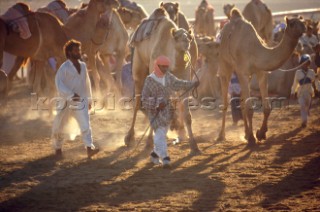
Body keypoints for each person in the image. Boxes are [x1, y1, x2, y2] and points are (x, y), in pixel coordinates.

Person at [141, 55, 199, 168]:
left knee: (162, 133)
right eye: (163, 67)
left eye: (167, 67)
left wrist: (192, 84)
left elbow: (179, 83)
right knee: (160, 134)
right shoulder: (149, 80)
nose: (165, 69)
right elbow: (144, 99)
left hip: (168, 112)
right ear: (157, 66)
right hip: (155, 113)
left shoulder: (168, 77)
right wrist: (157, 104)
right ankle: (165, 158)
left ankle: (154, 155)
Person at [52, 39, 99, 158]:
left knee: (86, 125)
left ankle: (89, 148)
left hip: (81, 101)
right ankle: (58, 148)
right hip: (65, 102)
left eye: (79, 50)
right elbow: (59, 84)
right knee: (60, 125)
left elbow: (87, 84)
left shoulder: (83, 66)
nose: (79, 52)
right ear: (69, 52)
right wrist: (71, 94)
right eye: (76, 50)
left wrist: (88, 100)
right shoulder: (64, 68)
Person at [291, 54, 317, 128]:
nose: (305, 65)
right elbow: (295, 83)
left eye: (307, 63)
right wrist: (293, 92)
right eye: (303, 63)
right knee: (302, 106)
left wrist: (318, 89)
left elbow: (316, 81)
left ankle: (306, 115)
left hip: (309, 93)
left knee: (306, 106)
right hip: (301, 93)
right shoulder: (298, 72)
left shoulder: (311, 72)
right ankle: (304, 121)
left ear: (309, 64)